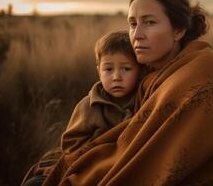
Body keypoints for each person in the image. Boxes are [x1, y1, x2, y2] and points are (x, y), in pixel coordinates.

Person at [42, 0, 213, 185]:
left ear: (179, 30)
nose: (137, 34)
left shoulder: (201, 72)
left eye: (149, 22)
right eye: (132, 23)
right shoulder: (151, 74)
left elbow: (165, 155)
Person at [21, 31, 141, 186]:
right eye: (108, 69)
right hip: (90, 166)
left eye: (126, 69)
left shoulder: (143, 99)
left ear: (140, 70)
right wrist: (99, 145)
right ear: (99, 71)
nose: (117, 76)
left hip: (127, 166)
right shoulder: (89, 105)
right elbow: (71, 143)